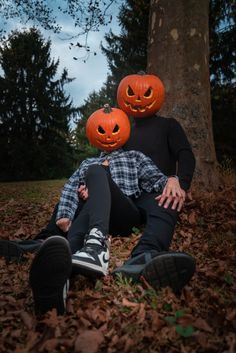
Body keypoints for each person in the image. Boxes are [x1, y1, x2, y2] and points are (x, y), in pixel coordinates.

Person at [0, 74, 196, 295]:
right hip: (114, 200)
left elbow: (176, 161)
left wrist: (177, 181)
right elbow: (91, 178)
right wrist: (87, 192)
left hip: (147, 194)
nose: (139, 97)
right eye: (131, 92)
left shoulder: (163, 130)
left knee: (167, 198)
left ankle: (142, 256)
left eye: (146, 92)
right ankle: (51, 247)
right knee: (83, 182)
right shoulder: (123, 137)